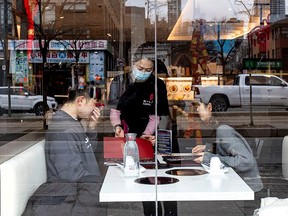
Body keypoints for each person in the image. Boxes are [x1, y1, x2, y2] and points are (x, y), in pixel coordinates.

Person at [22, 88, 107, 216]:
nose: (94, 110)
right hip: (79, 197)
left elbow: (87, 151)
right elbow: (72, 176)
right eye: (93, 105)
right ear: (81, 101)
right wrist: (100, 186)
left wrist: (92, 128)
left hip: (88, 191)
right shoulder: (63, 130)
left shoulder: (71, 122)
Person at [110, 56, 177, 216]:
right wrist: (117, 126)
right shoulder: (120, 81)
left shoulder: (157, 84)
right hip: (129, 135)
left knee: (166, 183)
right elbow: (114, 110)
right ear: (133, 64)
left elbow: (158, 115)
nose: (143, 72)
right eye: (140, 68)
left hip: (154, 135)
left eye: (148, 70)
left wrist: (147, 135)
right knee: (145, 182)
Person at [192, 101, 263, 192]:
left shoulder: (224, 129)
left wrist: (209, 158)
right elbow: (226, 149)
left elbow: (246, 161)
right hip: (239, 185)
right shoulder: (221, 126)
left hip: (247, 190)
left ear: (209, 107)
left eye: (198, 105)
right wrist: (208, 148)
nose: (196, 109)